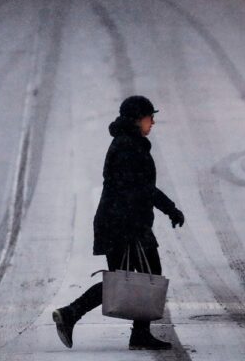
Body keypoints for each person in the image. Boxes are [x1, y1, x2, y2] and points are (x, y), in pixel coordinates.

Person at [53, 95, 185, 351]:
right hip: (124, 224)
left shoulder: (129, 143)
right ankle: (76, 314)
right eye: (150, 117)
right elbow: (142, 189)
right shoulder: (128, 147)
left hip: (119, 222)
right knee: (145, 277)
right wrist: (170, 209)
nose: (153, 122)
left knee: (125, 280)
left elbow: (140, 188)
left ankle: (81, 316)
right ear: (137, 119)